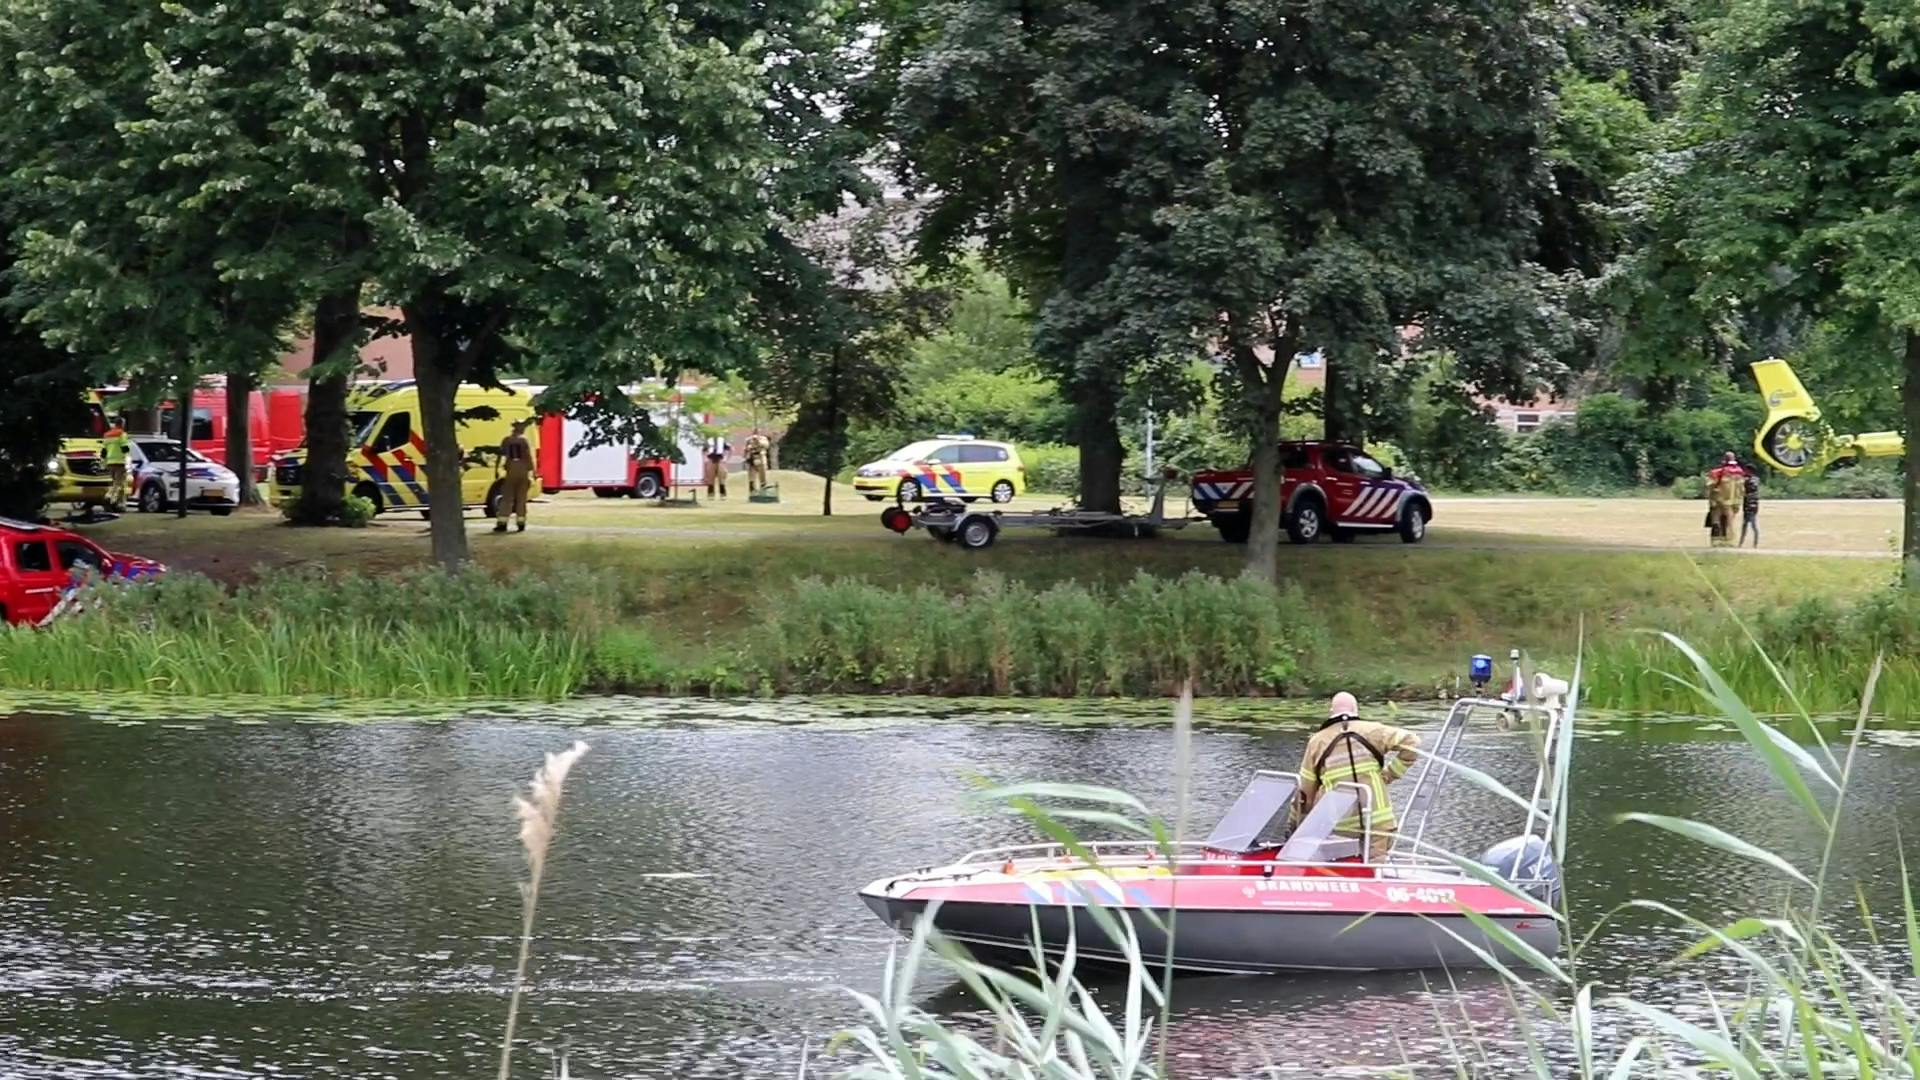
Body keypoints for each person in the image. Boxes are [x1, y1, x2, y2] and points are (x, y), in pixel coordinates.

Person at [1289, 692, 1421, 862]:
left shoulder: (1317, 742)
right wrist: (1389, 775)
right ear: (1356, 709)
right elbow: (1413, 742)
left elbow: (1305, 792)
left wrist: (1295, 826)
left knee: (1342, 872)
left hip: (1339, 824)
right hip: (1378, 821)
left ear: (1331, 711)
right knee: (1376, 871)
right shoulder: (1374, 731)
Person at [494, 419, 535, 534]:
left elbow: (500, 455)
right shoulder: (524, 440)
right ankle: (521, 523)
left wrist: (496, 469)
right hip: (522, 469)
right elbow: (528, 456)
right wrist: (533, 471)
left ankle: (502, 523)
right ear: (520, 427)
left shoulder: (506, 440)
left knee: (507, 498)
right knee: (521, 498)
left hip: (511, 469)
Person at [1706, 451, 1746, 548]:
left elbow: (1710, 486)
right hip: (1735, 501)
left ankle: (1716, 541)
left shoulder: (1718, 472)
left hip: (1719, 500)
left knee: (1716, 521)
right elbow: (1742, 489)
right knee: (1730, 522)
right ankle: (1730, 541)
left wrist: (1711, 498)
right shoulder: (1740, 472)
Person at [101, 416, 130, 510]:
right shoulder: (122, 434)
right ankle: (110, 498)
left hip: (110, 463)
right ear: (122, 424)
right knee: (119, 483)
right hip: (120, 462)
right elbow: (125, 448)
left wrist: (103, 462)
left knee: (115, 482)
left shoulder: (107, 435)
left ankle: (116, 502)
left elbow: (103, 451)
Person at [1739, 465, 1761, 548]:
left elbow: (1750, 488)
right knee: (1744, 525)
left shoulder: (1753, 479)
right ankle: (1741, 544)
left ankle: (1755, 544)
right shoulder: (1750, 479)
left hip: (1752, 504)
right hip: (1747, 504)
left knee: (1753, 525)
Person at [704, 434, 730, 499]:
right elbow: (704, 450)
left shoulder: (722, 439)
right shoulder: (709, 440)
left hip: (720, 459)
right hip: (711, 458)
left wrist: (726, 458)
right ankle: (710, 494)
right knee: (710, 477)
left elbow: (729, 449)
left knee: (721, 477)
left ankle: (722, 494)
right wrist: (705, 459)